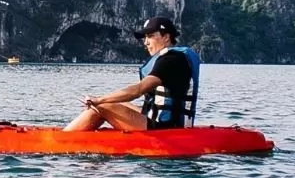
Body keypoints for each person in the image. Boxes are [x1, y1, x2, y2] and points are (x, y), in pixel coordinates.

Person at [64, 16, 200, 131]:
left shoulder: (171, 60)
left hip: (165, 128)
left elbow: (138, 90)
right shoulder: (174, 58)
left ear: (166, 37)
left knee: (102, 105)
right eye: (145, 37)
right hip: (164, 121)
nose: (146, 42)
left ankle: (62, 139)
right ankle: (77, 134)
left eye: (151, 36)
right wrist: (102, 98)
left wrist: (100, 100)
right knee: (111, 102)